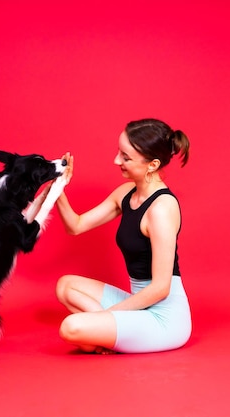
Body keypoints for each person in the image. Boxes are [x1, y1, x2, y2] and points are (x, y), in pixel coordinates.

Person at [55, 118, 192, 354]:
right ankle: (108, 335)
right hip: (138, 304)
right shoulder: (126, 193)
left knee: (71, 328)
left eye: (126, 157)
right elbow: (75, 226)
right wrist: (57, 187)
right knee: (65, 286)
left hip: (164, 318)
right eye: (119, 152)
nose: (116, 160)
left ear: (152, 164)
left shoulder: (162, 208)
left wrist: (110, 315)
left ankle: (104, 333)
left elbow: (161, 288)